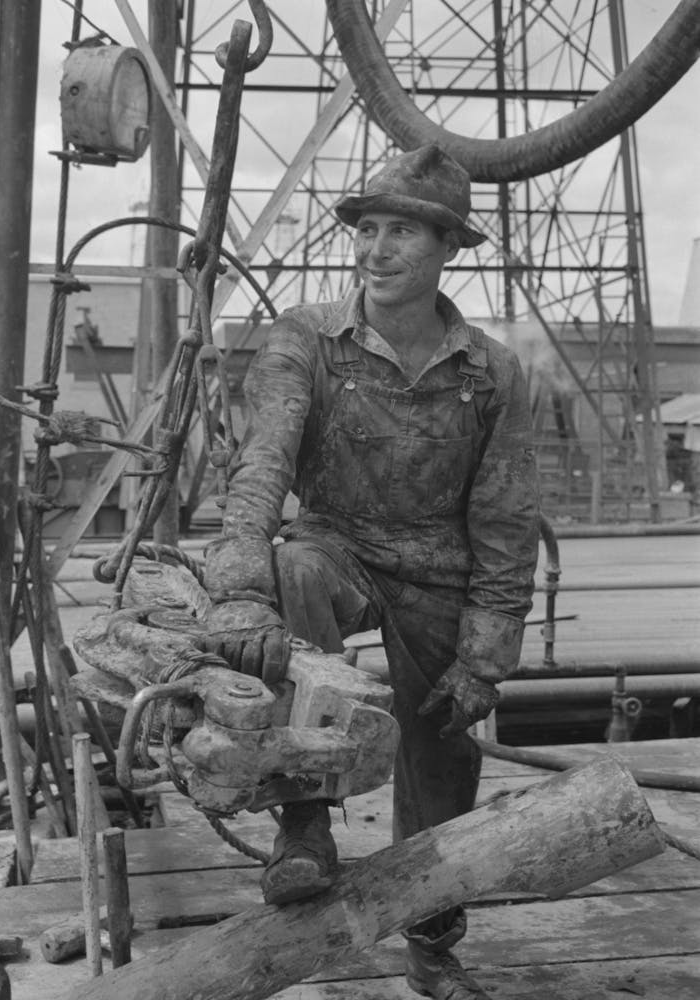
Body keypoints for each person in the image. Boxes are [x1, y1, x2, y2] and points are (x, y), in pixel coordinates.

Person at [200, 143, 540, 1000]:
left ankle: (431, 940)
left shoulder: (494, 373)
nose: (377, 250)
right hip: (337, 545)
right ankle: (305, 830)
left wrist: (485, 656)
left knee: (443, 751)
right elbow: (262, 466)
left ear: (448, 248)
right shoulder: (305, 341)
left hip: (439, 569)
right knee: (298, 574)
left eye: (404, 234)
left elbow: (503, 518)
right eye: (369, 229)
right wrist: (243, 590)